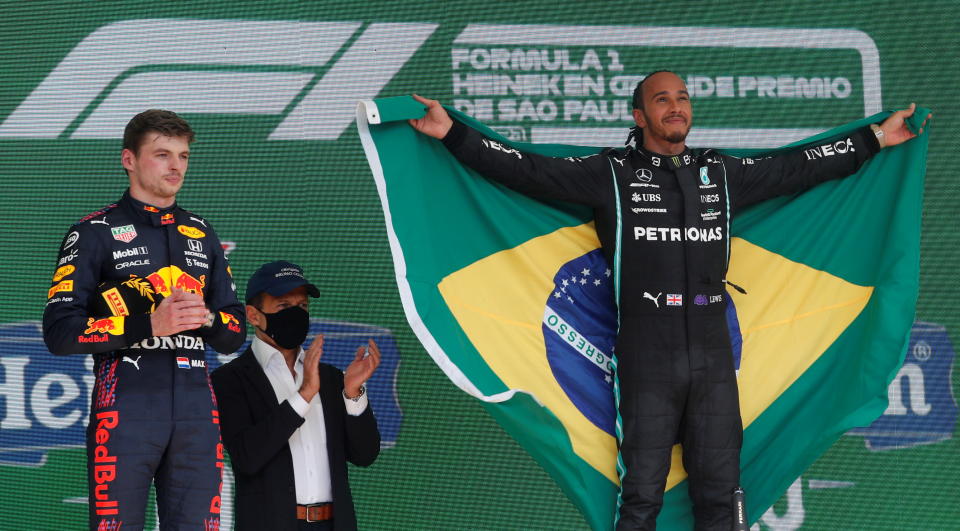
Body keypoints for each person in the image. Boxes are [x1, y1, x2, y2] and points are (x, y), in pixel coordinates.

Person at [408, 72, 929, 530]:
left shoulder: (719, 173)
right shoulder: (610, 173)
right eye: (662, 99)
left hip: (712, 351)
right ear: (639, 115)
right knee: (640, 500)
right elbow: (527, 169)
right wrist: (452, 133)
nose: (676, 106)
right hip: (646, 352)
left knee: (722, 497)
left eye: (682, 97)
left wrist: (877, 137)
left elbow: (798, 167)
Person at [42, 109, 246, 529]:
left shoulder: (201, 232)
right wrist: (148, 325)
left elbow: (234, 332)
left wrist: (206, 318)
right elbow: (60, 332)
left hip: (196, 412)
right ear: (129, 160)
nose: (176, 166)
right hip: (126, 408)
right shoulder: (93, 232)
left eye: (184, 156)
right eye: (162, 154)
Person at [211, 261, 381, 531]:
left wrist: (353, 394)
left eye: (302, 306)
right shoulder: (229, 379)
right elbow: (247, 457)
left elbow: (365, 454)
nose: (296, 315)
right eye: (283, 306)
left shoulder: (332, 378)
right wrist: (303, 396)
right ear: (253, 315)